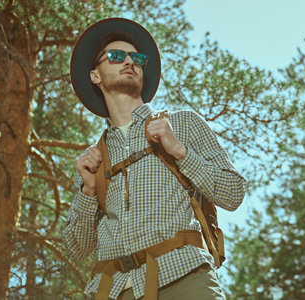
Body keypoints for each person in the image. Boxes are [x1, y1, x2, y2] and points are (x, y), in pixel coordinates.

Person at [63, 18, 246, 300]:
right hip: (114, 290)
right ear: (95, 76)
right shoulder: (94, 160)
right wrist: (88, 191)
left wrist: (180, 151)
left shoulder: (182, 124)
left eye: (136, 57)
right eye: (115, 56)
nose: (129, 61)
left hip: (183, 276)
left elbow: (233, 193)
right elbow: (76, 249)